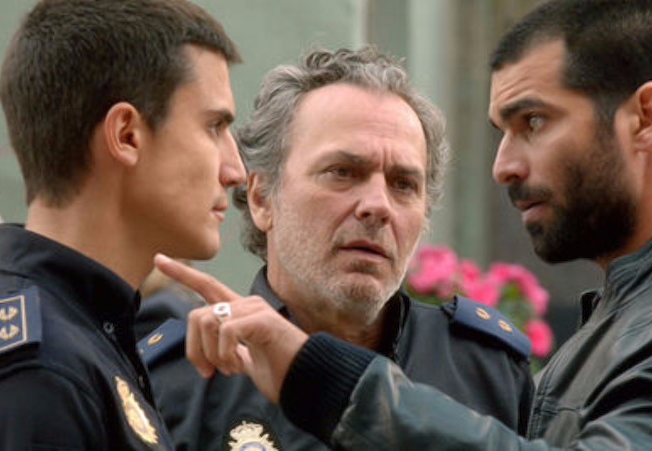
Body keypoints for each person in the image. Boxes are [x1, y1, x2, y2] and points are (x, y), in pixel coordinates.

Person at [157, 0, 652, 449]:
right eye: (342, 172)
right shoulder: (170, 374)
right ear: (261, 197)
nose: (504, 166)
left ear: (645, 118)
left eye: (534, 121)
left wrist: (320, 377)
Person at [141, 46, 534, 450]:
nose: (378, 206)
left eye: (403, 184)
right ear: (261, 198)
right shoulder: (178, 379)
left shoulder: (486, 369)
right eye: (342, 172)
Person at [0, 0, 245, 449]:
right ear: (126, 135)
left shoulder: (81, 337)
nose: (235, 170)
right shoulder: (39, 376)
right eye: (214, 127)